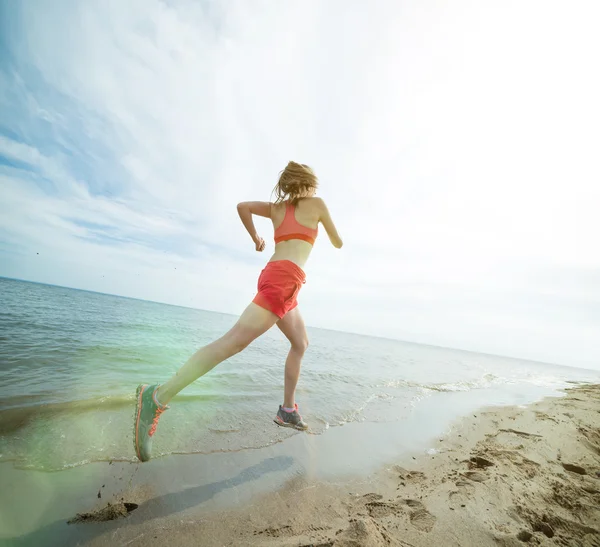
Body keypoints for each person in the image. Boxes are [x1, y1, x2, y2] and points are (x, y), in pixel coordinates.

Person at [133, 161, 343, 462]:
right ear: (308, 183)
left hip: (280, 279)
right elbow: (337, 242)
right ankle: (157, 397)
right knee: (232, 343)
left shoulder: (276, 208)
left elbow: (243, 206)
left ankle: (287, 411)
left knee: (300, 343)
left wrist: (256, 238)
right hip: (284, 281)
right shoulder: (317, 203)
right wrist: (329, 233)